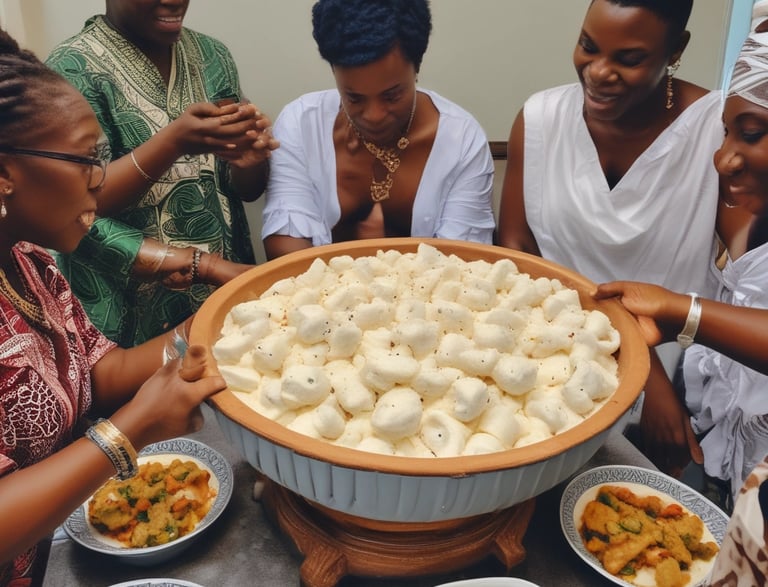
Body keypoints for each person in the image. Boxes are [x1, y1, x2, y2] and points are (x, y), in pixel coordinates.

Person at [0, 28, 226, 585]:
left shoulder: (29, 263)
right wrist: (136, 426)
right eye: (86, 160)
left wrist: (221, 318)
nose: (100, 183)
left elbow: (99, 373)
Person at [497, 0, 742, 478]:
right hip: (552, 370)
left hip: (684, 381)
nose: (598, 72)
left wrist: (659, 384)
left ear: (676, 50)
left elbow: (744, 280)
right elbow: (518, 262)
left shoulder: (717, 131)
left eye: (628, 59)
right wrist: (639, 369)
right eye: (588, 46)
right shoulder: (541, 119)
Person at [595, 3, 768, 504]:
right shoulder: (742, 204)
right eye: (728, 130)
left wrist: (681, 311)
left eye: (752, 135)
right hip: (719, 464)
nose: (723, 157)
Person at [45, 0, 279, 347]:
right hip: (128, 319)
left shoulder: (212, 56)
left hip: (225, 302)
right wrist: (172, 143)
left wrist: (250, 162)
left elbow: (240, 191)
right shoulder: (70, 70)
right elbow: (69, 212)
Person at [261, 0, 495, 260]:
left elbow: (464, 264)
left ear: (416, 67)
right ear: (334, 72)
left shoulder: (462, 141)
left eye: (392, 96)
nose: (374, 116)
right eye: (354, 98)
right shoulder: (301, 123)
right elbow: (284, 246)